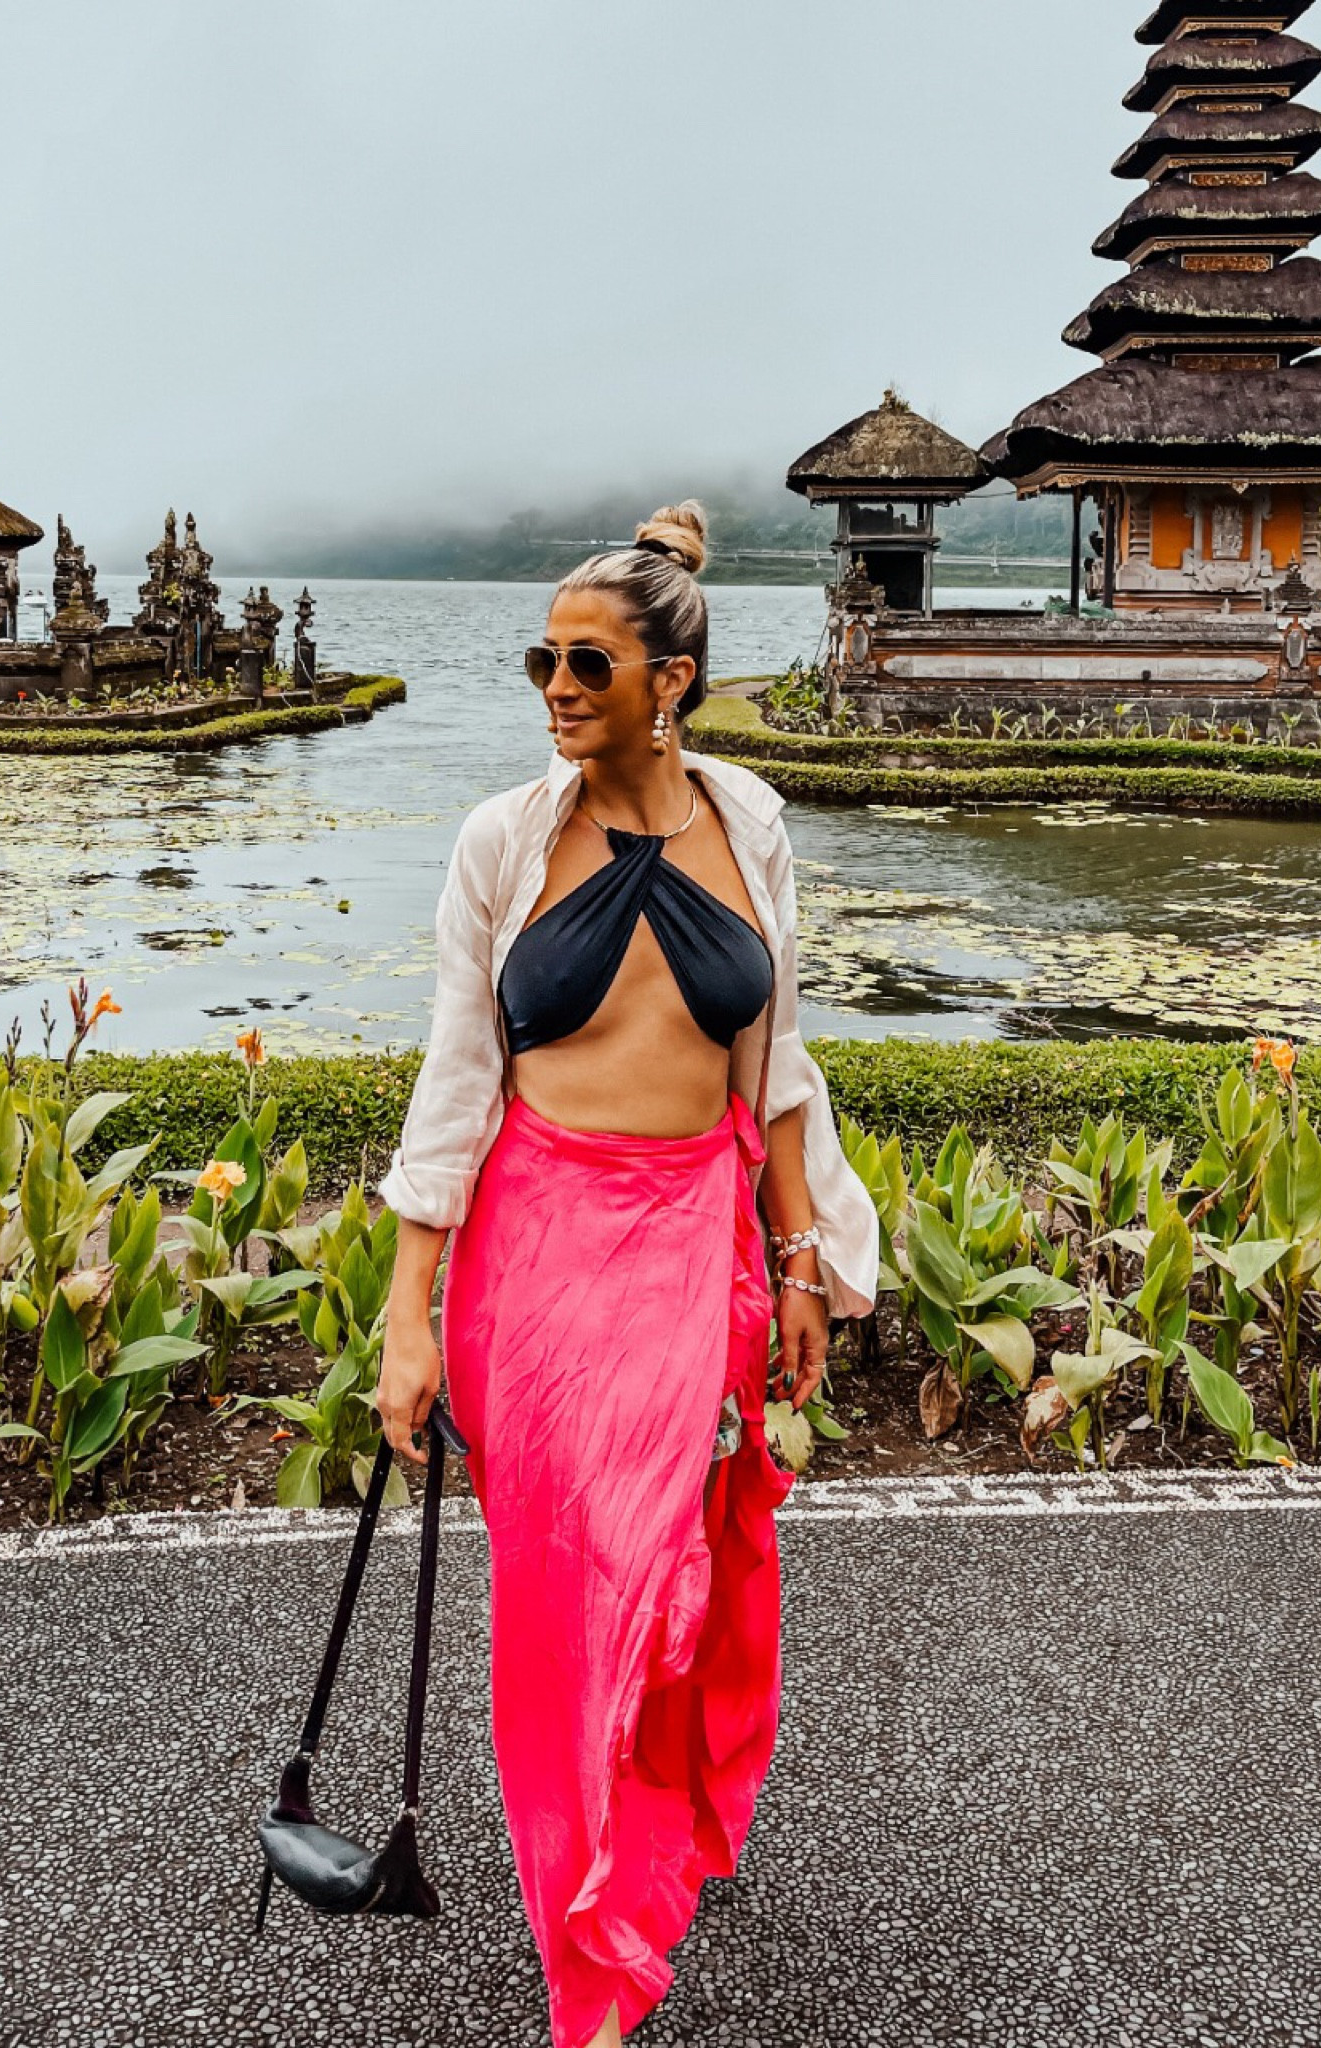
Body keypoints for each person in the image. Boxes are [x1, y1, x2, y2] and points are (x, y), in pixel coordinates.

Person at [375, 499, 878, 2048]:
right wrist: (409, 1311)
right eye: (540, 657)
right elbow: (456, 1082)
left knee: (669, 1553)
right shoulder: (500, 841)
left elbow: (773, 1061)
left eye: (582, 659)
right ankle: (582, 1921)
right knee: (559, 1579)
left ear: (671, 678)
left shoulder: (754, 822)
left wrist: (797, 1260)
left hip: (693, 1234)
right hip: (537, 1242)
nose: (550, 683)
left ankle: (644, 1814)